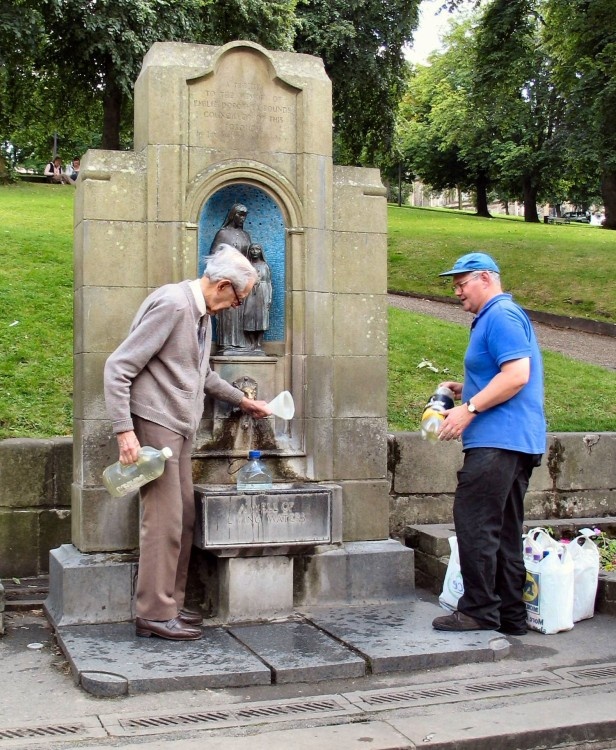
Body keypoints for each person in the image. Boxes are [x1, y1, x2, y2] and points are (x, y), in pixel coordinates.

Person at [104, 245, 272, 641]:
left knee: (183, 516)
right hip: (155, 422)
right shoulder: (174, 306)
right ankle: (153, 613)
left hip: (179, 427)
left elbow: (202, 374)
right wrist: (124, 431)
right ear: (224, 285)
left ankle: (170, 605)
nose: (236, 307)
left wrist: (243, 401)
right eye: (238, 299)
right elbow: (118, 366)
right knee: (162, 520)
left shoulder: (201, 314)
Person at [431, 252, 546, 636]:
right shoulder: (497, 316)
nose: (457, 291)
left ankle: (479, 610)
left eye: (463, 283)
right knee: (505, 531)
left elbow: (517, 375)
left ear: (485, 278)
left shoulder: (500, 314)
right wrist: (468, 388)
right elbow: (505, 375)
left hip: (498, 441)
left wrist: (470, 408)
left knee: (476, 524)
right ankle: (511, 616)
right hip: (515, 441)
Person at [209, 204, 252, 352]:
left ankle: (243, 343)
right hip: (227, 279)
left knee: (241, 311)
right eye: (240, 214)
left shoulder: (246, 235)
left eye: (244, 215)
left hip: (243, 280)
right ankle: (227, 343)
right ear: (233, 215)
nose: (242, 218)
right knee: (228, 310)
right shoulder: (223, 234)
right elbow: (214, 255)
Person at [243, 243, 272, 352]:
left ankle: (258, 343)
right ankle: (251, 342)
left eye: (257, 249)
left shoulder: (265, 266)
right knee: (248, 315)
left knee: (261, 317)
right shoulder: (247, 265)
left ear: (261, 251)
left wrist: (269, 298)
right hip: (249, 293)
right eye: (252, 249)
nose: (255, 251)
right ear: (249, 251)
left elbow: (269, 283)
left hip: (262, 292)